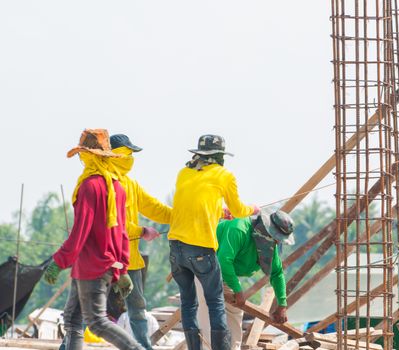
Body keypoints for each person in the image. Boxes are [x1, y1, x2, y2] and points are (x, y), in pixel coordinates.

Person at [43, 129, 145, 350]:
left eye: (82, 154)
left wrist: (58, 262)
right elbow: (122, 234)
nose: (81, 159)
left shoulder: (90, 186)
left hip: (92, 266)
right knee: (72, 319)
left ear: (88, 155)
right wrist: (123, 268)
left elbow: (80, 231)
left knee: (97, 322)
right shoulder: (117, 186)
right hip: (97, 265)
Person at [167, 134, 258, 350]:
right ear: (219, 156)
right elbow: (238, 211)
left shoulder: (184, 173)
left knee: (188, 303)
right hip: (201, 248)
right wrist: (252, 210)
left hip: (176, 247)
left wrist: (218, 211)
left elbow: (197, 203)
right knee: (215, 303)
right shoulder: (224, 175)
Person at [196, 209, 295, 350]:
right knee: (208, 315)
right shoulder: (238, 228)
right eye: (276, 237)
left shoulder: (268, 243)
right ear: (266, 228)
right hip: (204, 266)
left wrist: (282, 304)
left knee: (234, 314)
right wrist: (237, 290)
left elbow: (277, 273)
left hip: (225, 274)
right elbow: (223, 261)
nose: (277, 241)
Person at [109, 133, 173, 350]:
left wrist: (187, 217)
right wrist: (142, 230)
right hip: (105, 258)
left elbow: (156, 209)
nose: (130, 159)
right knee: (87, 309)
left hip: (129, 260)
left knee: (137, 308)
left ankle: (143, 348)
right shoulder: (104, 183)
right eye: (128, 154)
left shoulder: (130, 184)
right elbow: (112, 226)